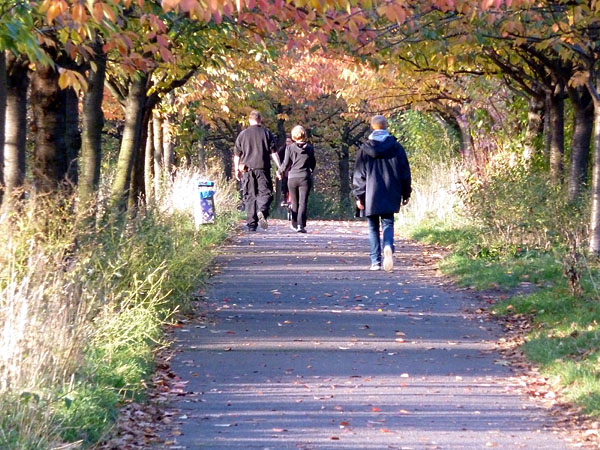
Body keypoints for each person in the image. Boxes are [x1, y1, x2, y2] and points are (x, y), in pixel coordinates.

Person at [353, 115, 411, 272]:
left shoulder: (364, 149)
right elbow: (405, 172)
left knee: (372, 227)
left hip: (370, 194)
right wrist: (406, 193)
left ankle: (375, 262)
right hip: (391, 191)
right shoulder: (396, 147)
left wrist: (359, 195)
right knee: (388, 223)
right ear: (386, 127)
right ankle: (388, 246)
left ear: (372, 127)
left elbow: (359, 174)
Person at [234, 110, 281, 231]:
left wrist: (236, 169)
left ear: (249, 120)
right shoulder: (266, 133)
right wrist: (279, 167)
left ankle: (251, 224)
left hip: (247, 169)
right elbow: (273, 152)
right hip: (262, 168)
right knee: (266, 194)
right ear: (260, 120)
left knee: (249, 196)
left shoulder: (242, 135)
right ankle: (262, 210)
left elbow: (237, 155)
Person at [277, 125, 316, 233]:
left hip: (292, 177)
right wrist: (310, 169)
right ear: (304, 135)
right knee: (303, 202)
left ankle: (294, 223)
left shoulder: (289, 148)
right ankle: (300, 225)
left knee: (294, 202)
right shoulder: (309, 148)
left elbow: (285, 164)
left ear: (294, 136)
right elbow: (313, 163)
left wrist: (279, 171)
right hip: (304, 177)